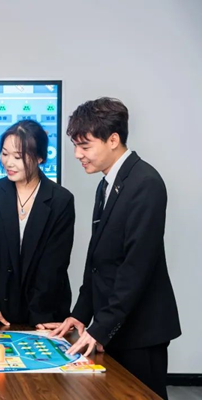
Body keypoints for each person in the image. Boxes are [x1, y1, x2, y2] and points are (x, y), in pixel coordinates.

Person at [50, 97, 181, 399]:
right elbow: (97, 260)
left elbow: (136, 266)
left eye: (85, 146)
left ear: (113, 140)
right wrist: (81, 314)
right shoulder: (107, 183)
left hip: (141, 331)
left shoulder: (145, 182)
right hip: (114, 325)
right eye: (75, 146)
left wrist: (99, 328)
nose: (77, 154)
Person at [0, 120, 74, 329]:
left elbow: (54, 265)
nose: (8, 163)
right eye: (5, 154)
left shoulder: (60, 200)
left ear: (39, 158)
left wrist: (40, 315)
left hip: (46, 312)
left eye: (18, 157)